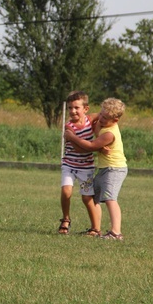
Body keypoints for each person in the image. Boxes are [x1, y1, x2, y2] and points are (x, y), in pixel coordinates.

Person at [65, 98, 127, 240]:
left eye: (105, 118)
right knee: (93, 198)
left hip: (115, 169)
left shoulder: (109, 133)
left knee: (110, 198)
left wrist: (72, 137)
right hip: (104, 169)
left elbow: (91, 146)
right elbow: (89, 118)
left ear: (115, 120)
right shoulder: (102, 119)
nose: (101, 119)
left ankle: (116, 232)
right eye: (101, 115)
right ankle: (95, 229)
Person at [58, 91, 101, 236]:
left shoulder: (91, 119)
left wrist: (104, 138)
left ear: (86, 109)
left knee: (87, 197)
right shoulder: (69, 126)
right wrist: (95, 146)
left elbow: (104, 115)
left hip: (86, 167)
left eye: (76, 107)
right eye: (70, 108)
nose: (73, 111)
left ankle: (95, 228)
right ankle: (65, 219)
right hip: (69, 164)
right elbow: (79, 149)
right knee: (66, 191)